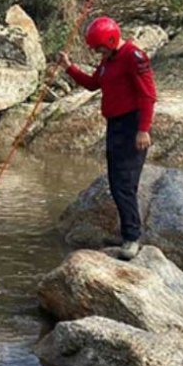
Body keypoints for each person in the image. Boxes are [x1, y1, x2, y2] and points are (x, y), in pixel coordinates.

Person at [59, 16, 157, 261]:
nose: (97, 52)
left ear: (111, 40)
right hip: (115, 126)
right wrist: (69, 67)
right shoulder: (108, 59)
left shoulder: (134, 57)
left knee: (124, 184)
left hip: (132, 125)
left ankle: (132, 238)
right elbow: (94, 84)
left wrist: (143, 129)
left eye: (99, 47)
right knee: (116, 183)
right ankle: (127, 231)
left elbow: (148, 96)